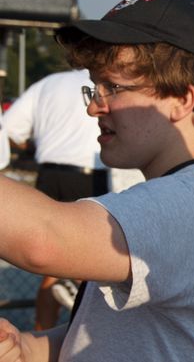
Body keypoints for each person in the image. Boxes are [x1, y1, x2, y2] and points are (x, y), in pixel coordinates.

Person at [0, 0, 194, 361]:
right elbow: (123, 337)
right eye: (95, 87)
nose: (94, 108)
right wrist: (27, 348)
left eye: (113, 87)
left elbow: (43, 239)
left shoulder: (186, 204)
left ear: (183, 99)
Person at [3, 69, 109, 330]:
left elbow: (12, 129)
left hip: (48, 173)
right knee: (88, 260)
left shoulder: (47, 83)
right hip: (88, 174)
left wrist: (45, 139)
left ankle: (42, 335)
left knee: (51, 266)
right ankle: (78, 317)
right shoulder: (108, 84)